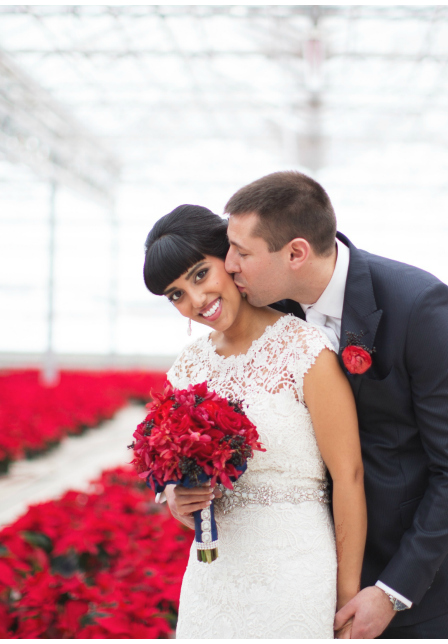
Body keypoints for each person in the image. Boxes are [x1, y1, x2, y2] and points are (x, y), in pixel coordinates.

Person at [202, 170, 448, 638]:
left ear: (296, 252)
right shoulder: (270, 313)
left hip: (413, 581)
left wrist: (393, 589)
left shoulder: (417, 304)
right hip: (304, 577)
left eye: (241, 252)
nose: (228, 265)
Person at [144, 204, 367, 639]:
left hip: (295, 573)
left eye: (199, 275)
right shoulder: (187, 367)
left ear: (228, 259)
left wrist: (346, 596)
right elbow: (174, 474)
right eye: (176, 294)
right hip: (213, 578)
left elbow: (350, 476)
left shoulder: (305, 349)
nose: (195, 301)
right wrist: (176, 496)